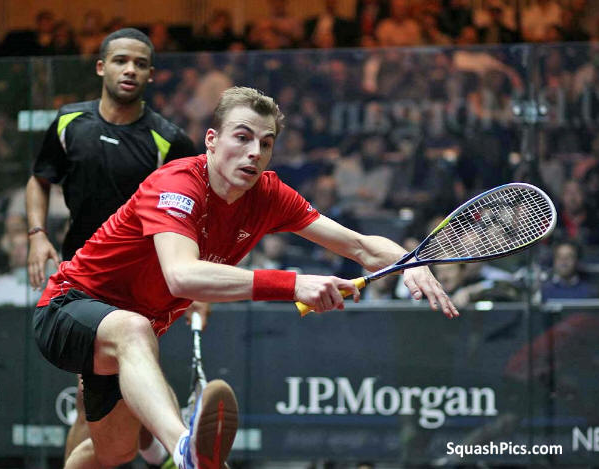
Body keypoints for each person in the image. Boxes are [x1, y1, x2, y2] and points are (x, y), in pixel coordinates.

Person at [33, 86, 459, 468]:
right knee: (133, 329)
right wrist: (293, 284)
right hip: (68, 306)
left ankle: (179, 450)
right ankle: (184, 449)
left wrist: (412, 261)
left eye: (266, 143)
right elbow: (181, 276)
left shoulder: (268, 196)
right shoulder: (178, 183)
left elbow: (361, 246)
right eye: (242, 137)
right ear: (212, 140)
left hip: (129, 337)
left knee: (113, 453)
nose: (254, 151)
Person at [25, 27, 199, 467]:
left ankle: (162, 448)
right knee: (97, 397)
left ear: (151, 75)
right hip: (81, 281)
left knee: (117, 390)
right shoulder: (69, 123)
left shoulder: (169, 141)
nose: (130, 70)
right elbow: (40, 179)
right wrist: (37, 234)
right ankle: (164, 450)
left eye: (140, 64)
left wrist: (197, 283)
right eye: (121, 60)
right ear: (102, 67)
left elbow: (195, 215)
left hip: (142, 284)